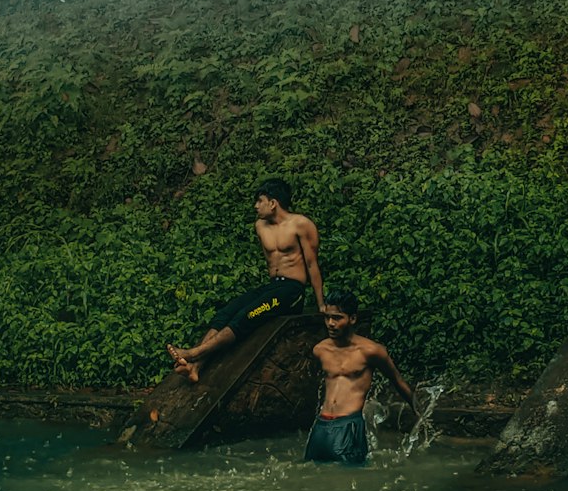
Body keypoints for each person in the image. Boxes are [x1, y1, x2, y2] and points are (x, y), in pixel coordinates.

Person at [167, 178, 324, 382]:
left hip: (291, 292)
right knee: (227, 313)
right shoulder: (260, 225)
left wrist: (321, 304)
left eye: (260, 201)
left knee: (246, 316)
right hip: (273, 287)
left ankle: (194, 353)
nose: (255, 206)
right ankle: (195, 367)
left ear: (273, 203)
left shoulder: (302, 225)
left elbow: (312, 265)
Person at [305, 290, 417, 465]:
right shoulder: (320, 350)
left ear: (353, 319)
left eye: (337, 318)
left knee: (350, 480)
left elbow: (398, 381)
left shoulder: (371, 351)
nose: (330, 323)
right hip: (320, 427)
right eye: (327, 317)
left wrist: (421, 413)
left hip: (349, 425)